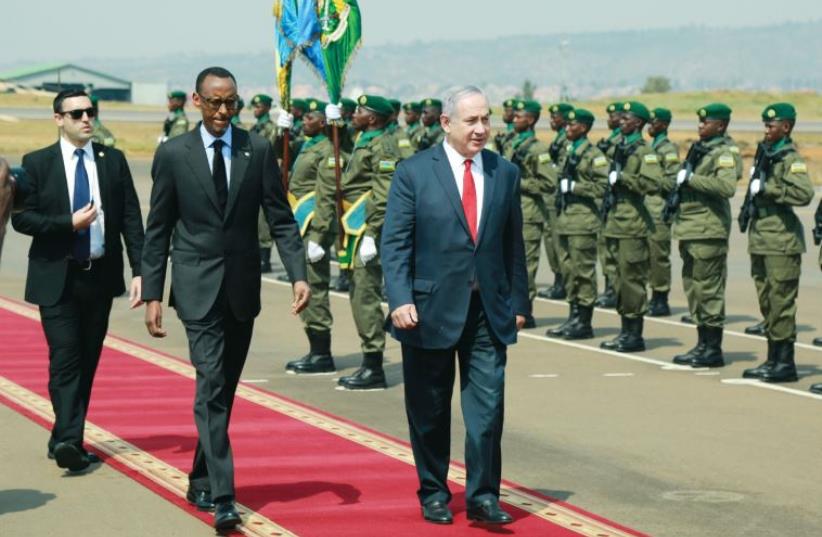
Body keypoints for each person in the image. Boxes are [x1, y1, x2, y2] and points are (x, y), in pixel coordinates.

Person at [140, 67, 309, 530]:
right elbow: (158, 228)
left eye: (230, 102)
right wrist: (152, 291)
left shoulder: (256, 149)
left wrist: (298, 274)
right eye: (214, 102)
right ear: (197, 100)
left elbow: (281, 217)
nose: (222, 111)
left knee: (222, 391)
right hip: (195, 288)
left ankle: (199, 472)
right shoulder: (175, 154)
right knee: (211, 384)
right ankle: (223, 495)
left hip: (239, 289)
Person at [382, 85, 527, 525]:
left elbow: (512, 244)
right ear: (447, 124)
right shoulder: (413, 172)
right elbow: (396, 242)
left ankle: (483, 496)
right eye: (471, 121)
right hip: (427, 312)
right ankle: (434, 492)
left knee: (486, 412)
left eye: (486, 119)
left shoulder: (505, 172)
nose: (481, 129)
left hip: (488, 312)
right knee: (429, 410)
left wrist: (519, 299)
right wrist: (400, 298)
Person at [11, 89, 144, 472]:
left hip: (99, 276)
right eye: (77, 114)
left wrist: (141, 271)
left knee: (86, 360)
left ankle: (63, 435)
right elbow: (23, 218)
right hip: (58, 276)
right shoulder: (37, 163)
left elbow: (132, 220)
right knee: (65, 358)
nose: (86, 119)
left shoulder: (112, 161)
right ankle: (71, 439)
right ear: (58, 119)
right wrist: (67, 224)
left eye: (90, 112)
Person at [740, 103, 814, 383]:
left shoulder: (789, 159)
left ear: (786, 127)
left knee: (781, 303)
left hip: (782, 241)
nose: (767, 130)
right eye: (765, 126)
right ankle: (772, 359)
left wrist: (768, 188)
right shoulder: (768, 155)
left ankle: (785, 364)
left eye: (771, 126)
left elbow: (804, 193)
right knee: (768, 303)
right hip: (762, 238)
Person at [334, 95, 401, 391]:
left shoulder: (383, 144)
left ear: (372, 118)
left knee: (366, 293)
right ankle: (369, 361)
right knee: (358, 292)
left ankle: (374, 367)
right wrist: (333, 121)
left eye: (359, 111)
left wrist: (373, 232)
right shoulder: (365, 137)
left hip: (367, 225)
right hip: (355, 223)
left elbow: (384, 190)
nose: (354, 114)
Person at [670, 104, 742, 368]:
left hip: (708, 230)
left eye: (706, 122)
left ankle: (712, 349)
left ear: (720, 126)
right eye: (700, 122)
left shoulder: (724, 152)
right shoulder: (701, 150)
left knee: (709, 290)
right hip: (691, 228)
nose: (700, 126)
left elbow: (726, 186)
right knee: (694, 288)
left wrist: (691, 179)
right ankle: (702, 344)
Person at [280, 99, 344, 374]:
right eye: (302, 117)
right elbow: (274, 152)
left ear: (322, 122)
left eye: (309, 118)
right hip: (300, 223)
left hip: (313, 225)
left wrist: (318, 235)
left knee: (314, 287)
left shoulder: (327, 150)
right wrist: (279, 129)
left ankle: (322, 353)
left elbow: (327, 194)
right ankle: (314, 349)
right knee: (303, 284)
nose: (303, 121)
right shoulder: (305, 145)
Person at [599, 101, 662, 353]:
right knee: (617, 278)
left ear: (638, 123)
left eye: (626, 118)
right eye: (621, 118)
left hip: (633, 223)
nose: (620, 121)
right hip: (614, 221)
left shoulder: (643, 151)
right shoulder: (618, 147)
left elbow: (653, 183)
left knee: (632, 279)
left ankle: (634, 334)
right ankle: (624, 330)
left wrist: (623, 178)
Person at [547, 108, 609, 339]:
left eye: (572, 125)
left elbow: (603, 188)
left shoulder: (594, 155)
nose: (566, 128)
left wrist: (576, 188)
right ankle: (573, 316)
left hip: (583, 220)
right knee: (568, 270)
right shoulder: (568, 150)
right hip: (565, 219)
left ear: (583, 127)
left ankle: (584, 321)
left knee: (583, 272)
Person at [507, 99, 551, 328]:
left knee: (526, 264)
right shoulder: (513, 144)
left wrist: (518, 183)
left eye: (519, 116)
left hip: (529, 214)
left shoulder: (538, 149)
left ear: (531, 120)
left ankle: (526, 310)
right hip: (510, 211)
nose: (514, 118)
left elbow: (548, 184)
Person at [536, 103, 573, 300]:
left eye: (556, 116)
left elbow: (561, 170)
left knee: (558, 243)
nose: (552, 120)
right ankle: (559, 280)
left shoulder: (567, 141)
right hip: (551, 197)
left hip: (559, 198)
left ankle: (564, 282)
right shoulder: (559, 139)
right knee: (551, 241)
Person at [645, 108, 679, 317]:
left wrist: (649, 182)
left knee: (659, 257)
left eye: (654, 121)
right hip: (647, 210)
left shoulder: (667, 150)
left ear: (664, 125)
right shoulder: (651, 147)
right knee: (647, 256)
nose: (649, 125)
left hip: (659, 210)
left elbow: (672, 181)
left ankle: (660, 298)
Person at [594, 102, 624, 309]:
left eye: (615, 116)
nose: (611, 119)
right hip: (608, 203)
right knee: (607, 251)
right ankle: (611, 288)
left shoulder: (624, 142)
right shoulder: (613, 140)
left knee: (618, 254)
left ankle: (616, 290)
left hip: (620, 205)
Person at [250, 93, 279, 272]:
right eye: (255, 106)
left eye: (259, 106)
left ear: (267, 108)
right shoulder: (254, 127)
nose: (256, 109)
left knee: (263, 221)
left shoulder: (271, 128)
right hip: (252, 176)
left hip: (264, 176)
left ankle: (265, 260)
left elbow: (269, 148)